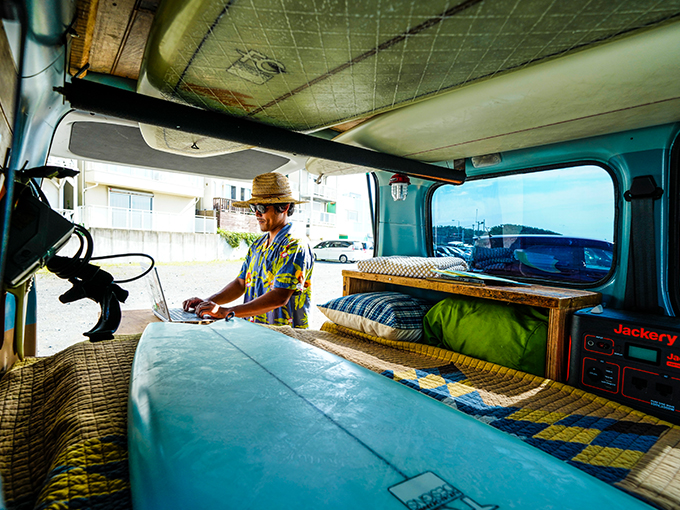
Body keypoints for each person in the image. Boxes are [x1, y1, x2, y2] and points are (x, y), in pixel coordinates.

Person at [183, 172, 314, 328]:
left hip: (286, 337)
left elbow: (279, 297)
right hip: (255, 332)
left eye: (262, 207)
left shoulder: (295, 245)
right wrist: (208, 302)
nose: (256, 213)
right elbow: (240, 283)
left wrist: (226, 312)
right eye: (254, 207)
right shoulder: (258, 244)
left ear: (284, 207)